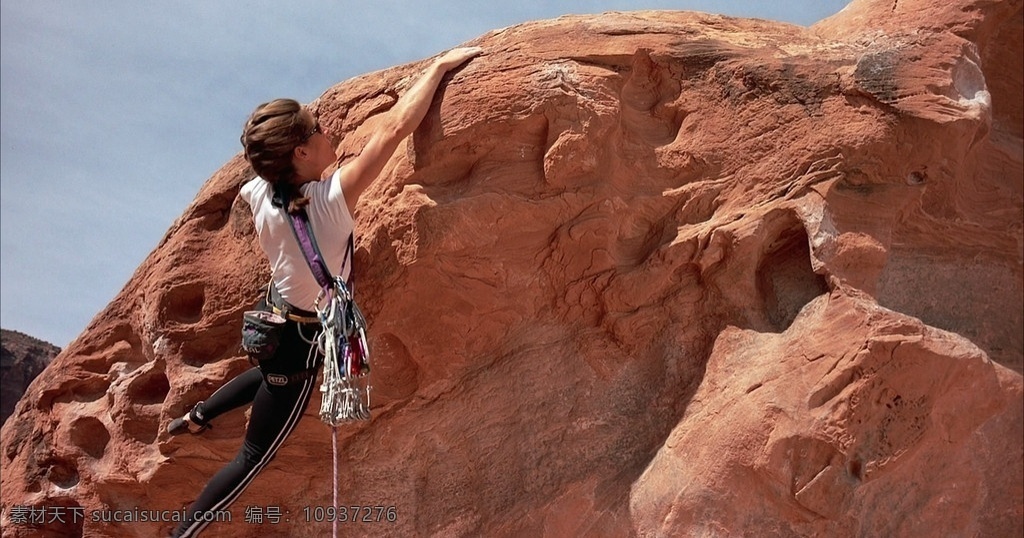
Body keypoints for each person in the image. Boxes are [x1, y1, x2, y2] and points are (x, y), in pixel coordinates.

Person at [167, 46, 482, 538]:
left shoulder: (258, 194)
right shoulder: (331, 203)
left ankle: (200, 413)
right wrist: (439, 68)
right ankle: (182, 532)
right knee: (252, 454)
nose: (327, 132)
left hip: (273, 318)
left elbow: (268, 166)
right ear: (298, 153)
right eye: (317, 130)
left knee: (268, 375)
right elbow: (395, 128)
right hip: (298, 341)